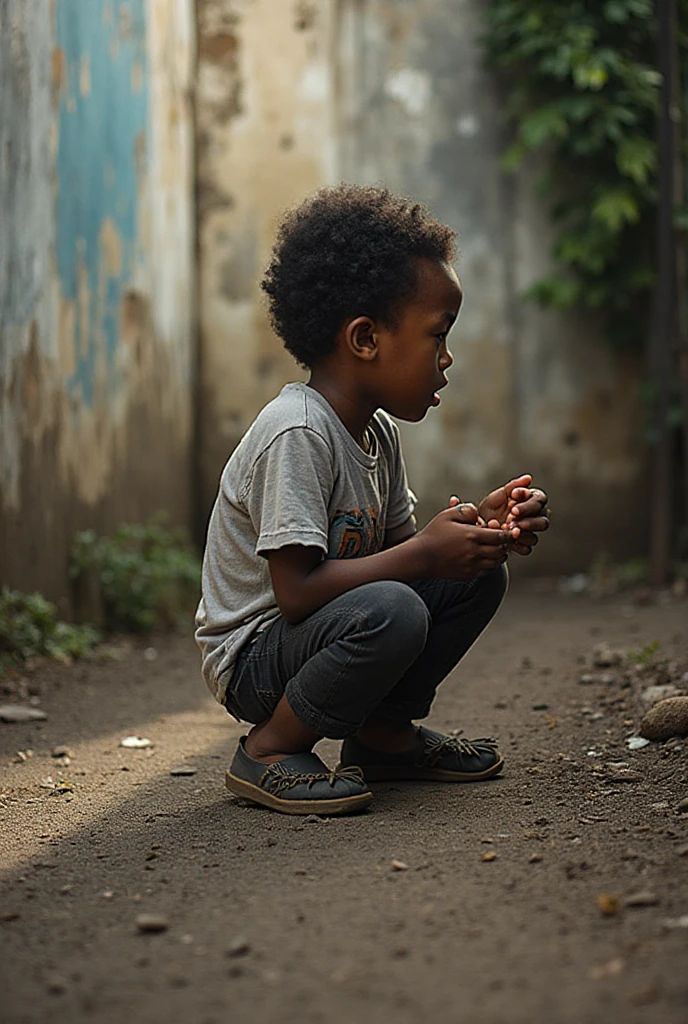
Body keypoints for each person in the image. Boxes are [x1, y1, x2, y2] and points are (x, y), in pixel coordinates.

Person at [195, 184, 550, 816]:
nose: (447, 359)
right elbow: (298, 591)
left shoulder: (377, 430)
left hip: (323, 632)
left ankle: (382, 737)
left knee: (472, 582)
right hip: (258, 658)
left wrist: (475, 532)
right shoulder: (297, 432)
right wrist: (423, 557)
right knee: (393, 607)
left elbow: (397, 556)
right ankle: (270, 749)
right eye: (437, 337)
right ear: (365, 339)